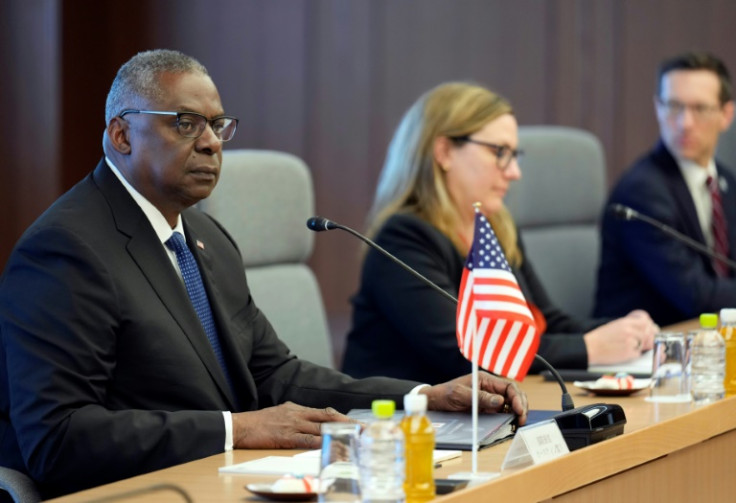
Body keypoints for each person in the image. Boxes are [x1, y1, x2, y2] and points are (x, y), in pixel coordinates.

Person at [0, 50, 527, 499]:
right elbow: (58, 438)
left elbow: (278, 375)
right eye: (184, 122)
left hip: (217, 478)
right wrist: (238, 429)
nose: (210, 143)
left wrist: (423, 396)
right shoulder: (67, 249)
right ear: (121, 135)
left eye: (217, 125)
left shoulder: (207, 239)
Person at [341, 82, 658, 386]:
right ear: (444, 152)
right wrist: (589, 348)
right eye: (499, 152)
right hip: (400, 427)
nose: (514, 172)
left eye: (514, 155)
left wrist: (624, 331)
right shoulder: (403, 239)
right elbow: (469, 350)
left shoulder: (495, 227)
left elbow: (546, 320)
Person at [595, 52, 736, 326]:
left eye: (701, 109)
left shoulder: (727, 182)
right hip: (643, 352)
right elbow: (696, 296)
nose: (685, 123)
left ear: (726, 114)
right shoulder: (641, 192)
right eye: (673, 106)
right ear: (657, 108)